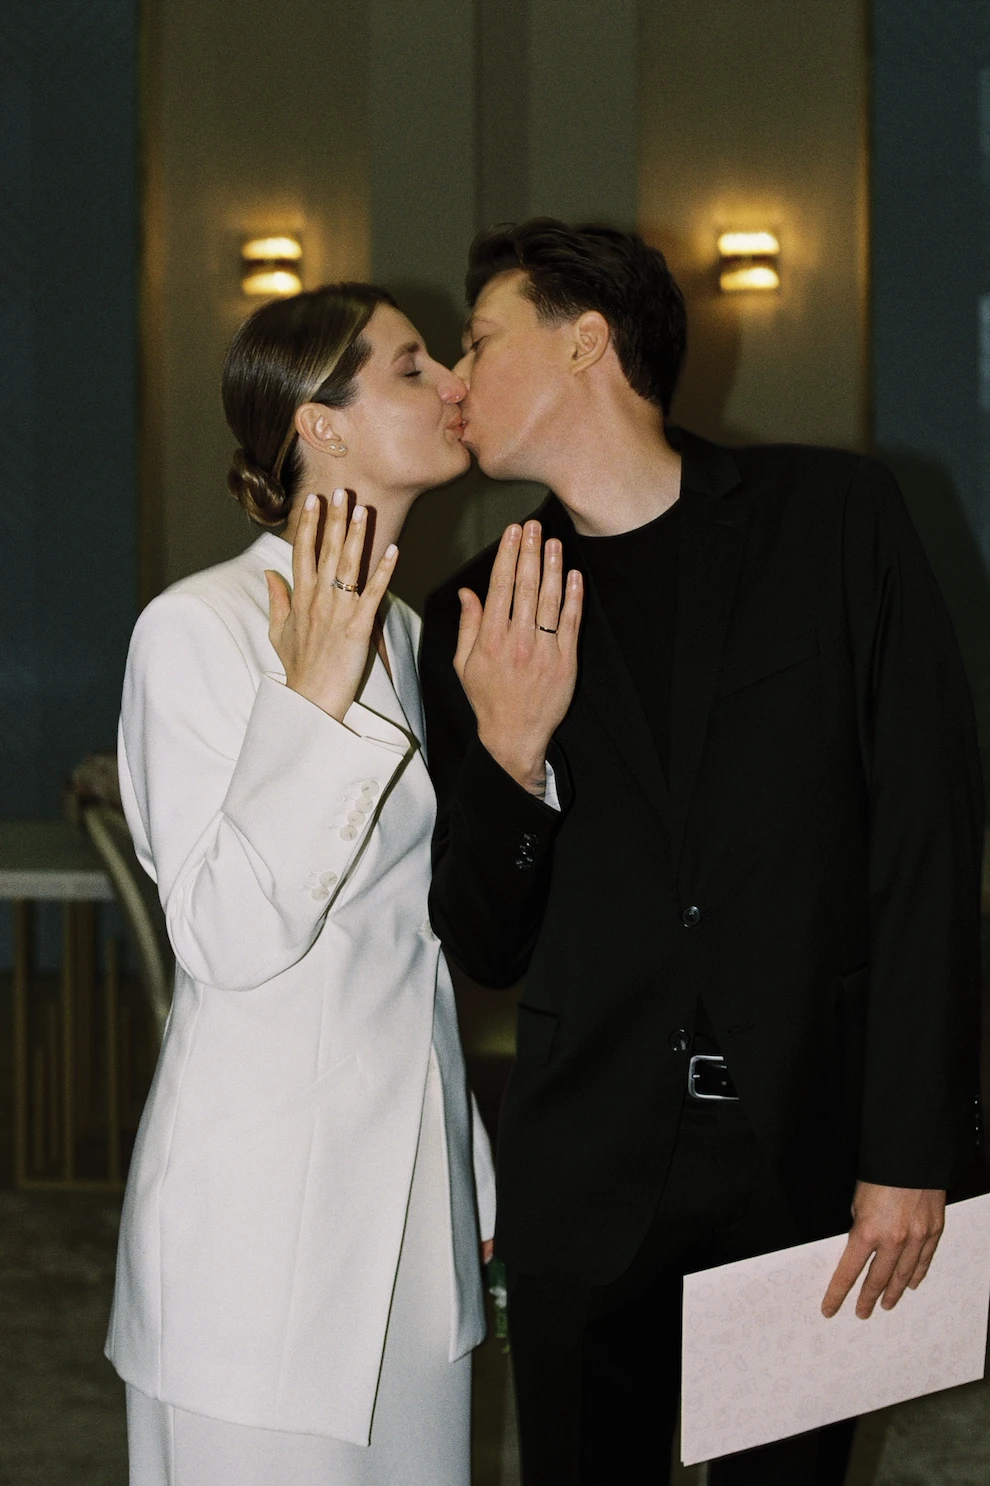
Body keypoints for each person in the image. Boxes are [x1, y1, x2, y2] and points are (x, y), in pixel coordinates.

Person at [420, 219, 985, 1485]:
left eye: (479, 340)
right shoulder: (479, 606)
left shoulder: (834, 520)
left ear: (586, 342)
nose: (456, 378)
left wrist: (913, 1151)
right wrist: (510, 755)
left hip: (808, 1159)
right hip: (586, 1173)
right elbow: (485, 942)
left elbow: (928, 847)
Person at [105, 282, 495, 1486]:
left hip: (412, 1214)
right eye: (414, 367)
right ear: (318, 424)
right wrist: (311, 703)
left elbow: (411, 938)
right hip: (263, 1226)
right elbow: (222, 935)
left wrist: (468, 1164)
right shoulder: (199, 626)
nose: (455, 384)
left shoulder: (412, 634)